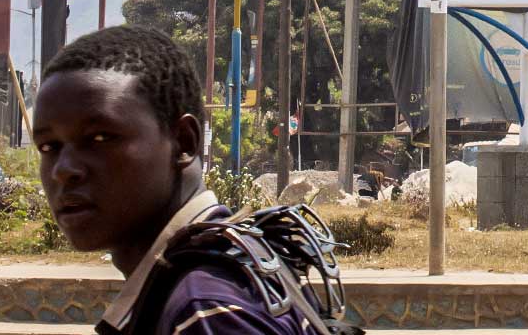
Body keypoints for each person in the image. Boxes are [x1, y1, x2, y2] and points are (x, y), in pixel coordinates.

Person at [35, 25, 346, 335]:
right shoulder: (224, 267)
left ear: (184, 141)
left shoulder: (207, 310)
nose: (63, 169)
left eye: (100, 137)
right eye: (49, 146)